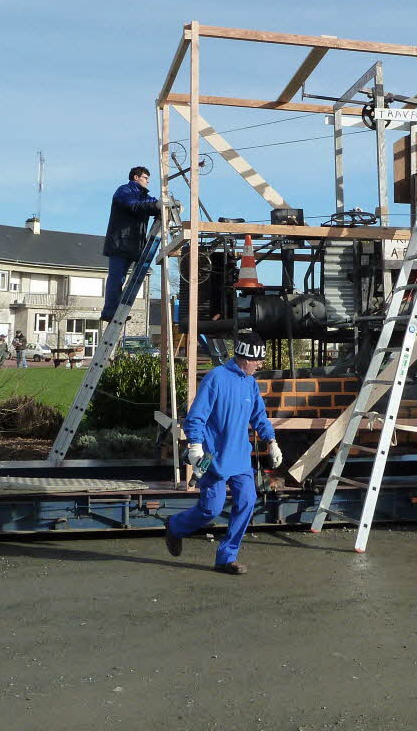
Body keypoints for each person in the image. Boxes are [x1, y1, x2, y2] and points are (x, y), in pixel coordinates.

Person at [163, 331, 283, 575]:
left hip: (240, 458)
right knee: (211, 509)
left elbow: (258, 416)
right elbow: (196, 416)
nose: (260, 364)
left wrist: (271, 440)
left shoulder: (250, 383)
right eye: (257, 360)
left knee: (247, 501)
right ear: (244, 358)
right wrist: (195, 445)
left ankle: (227, 557)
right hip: (214, 459)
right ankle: (175, 526)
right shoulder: (216, 378)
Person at [100, 166, 161, 324]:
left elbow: (150, 204)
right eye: (145, 178)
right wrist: (156, 206)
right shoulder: (124, 191)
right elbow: (133, 205)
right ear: (136, 177)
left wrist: (162, 205)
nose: (148, 181)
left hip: (133, 245)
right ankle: (110, 311)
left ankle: (116, 309)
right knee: (116, 278)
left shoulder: (142, 196)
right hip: (120, 243)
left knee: (120, 278)